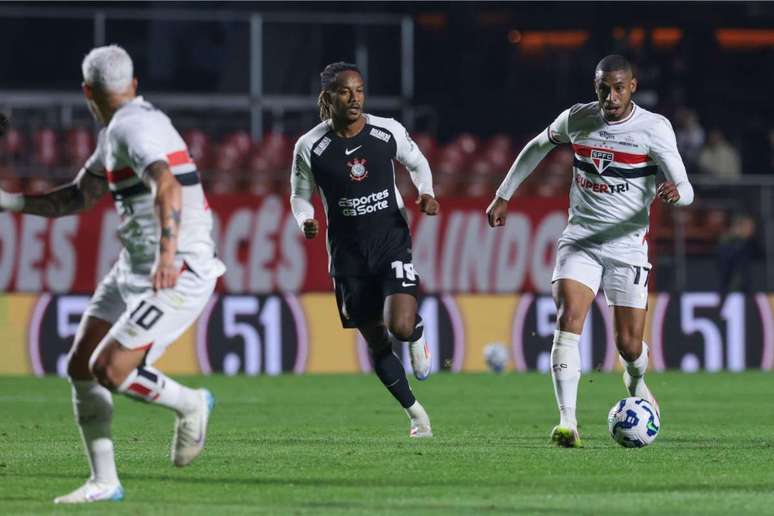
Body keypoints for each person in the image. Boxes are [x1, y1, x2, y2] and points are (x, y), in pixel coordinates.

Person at [0, 45, 225, 502]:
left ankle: (190, 403)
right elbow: (77, 197)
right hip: (134, 266)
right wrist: (9, 201)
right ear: (134, 84)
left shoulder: (131, 128)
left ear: (87, 92)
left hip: (177, 268)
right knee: (81, 365)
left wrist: (166, 256)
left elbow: (166, 184)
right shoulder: (120, 130)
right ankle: (104, 481)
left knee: (110, 368)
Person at [486, 55, 694, 448]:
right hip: (580, 240)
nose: (610, 97)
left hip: (628, 248)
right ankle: (568, 422)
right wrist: (503, 195)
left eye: (618, 88)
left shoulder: (653, 129)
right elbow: (535, 147)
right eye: (603, 88)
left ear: (632, 86)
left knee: (630, 347)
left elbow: (686, 186)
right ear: (595, 86)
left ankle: (635, 379)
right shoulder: (578, 118)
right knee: (568, 320)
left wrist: (676, 193)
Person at [290, 62, 437, 438]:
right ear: (328, 97)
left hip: (390, 241)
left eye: (359, 90)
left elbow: (417, 163)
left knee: (400, 326)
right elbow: (299, 196)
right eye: (344, 92)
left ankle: (417, 332)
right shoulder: (310, 146)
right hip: (348, 257)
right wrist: (304, 219)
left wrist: (426, 191)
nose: (354, 99)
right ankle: (416, 415)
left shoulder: (386, 131)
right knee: (376, 341)